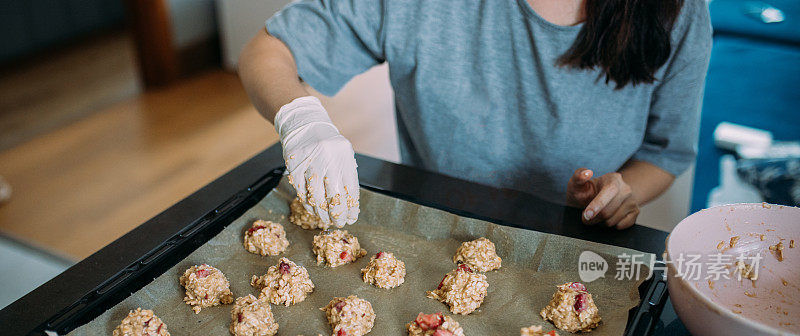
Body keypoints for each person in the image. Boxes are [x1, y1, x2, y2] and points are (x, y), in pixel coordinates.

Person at [238, 0, 712, 229]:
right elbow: (269, 49)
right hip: (435, 227)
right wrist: (302, 119)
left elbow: (663, 154)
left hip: (578, 249)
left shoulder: (678, 12)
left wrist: (617, 196)